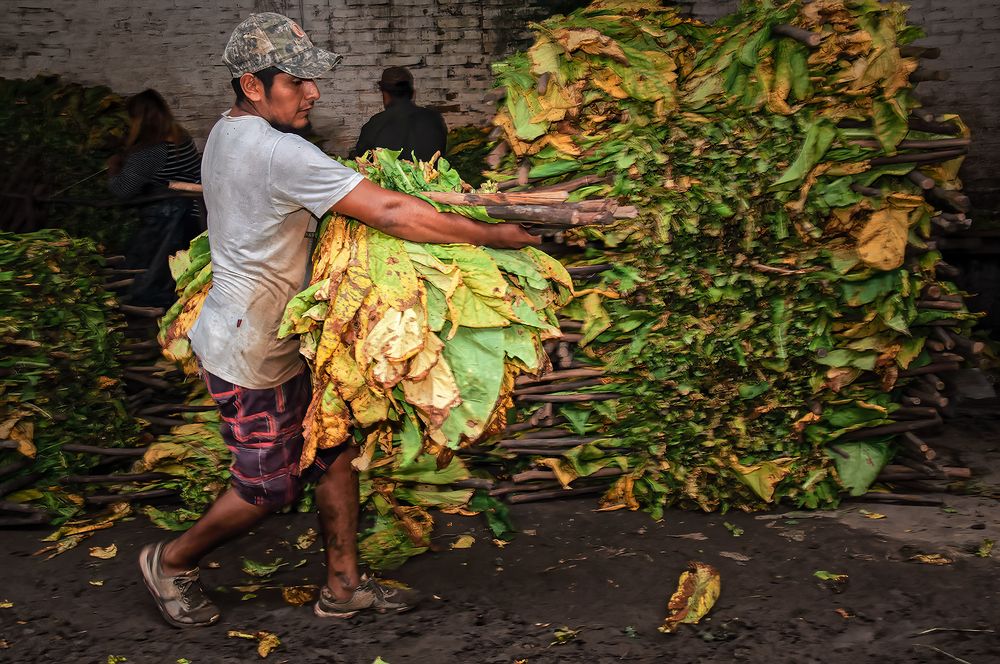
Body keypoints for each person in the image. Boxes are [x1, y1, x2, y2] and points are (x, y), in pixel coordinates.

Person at [137, 12, 538, 628]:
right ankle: (169, 561)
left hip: (279, 334)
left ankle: (344, 587)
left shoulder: (226, 131)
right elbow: (396, 214)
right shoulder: (276, 150)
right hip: (251, 350)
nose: (313, 92)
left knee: (331, 452)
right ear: (252, 84)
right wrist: (496, 236)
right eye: (298, 80)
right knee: (267, 487)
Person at [108, 89, 202, 308]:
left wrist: (113, 169)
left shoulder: (150, 152)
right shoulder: (181, 136)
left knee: (152, 276)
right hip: (192, 216)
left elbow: (122, 190)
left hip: (165, 223)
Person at [350, 66, 448, 162]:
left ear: (385, 94)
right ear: (412, 93)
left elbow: (362, 162)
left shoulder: (375, 124)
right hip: (430, 177)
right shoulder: (434, 119)